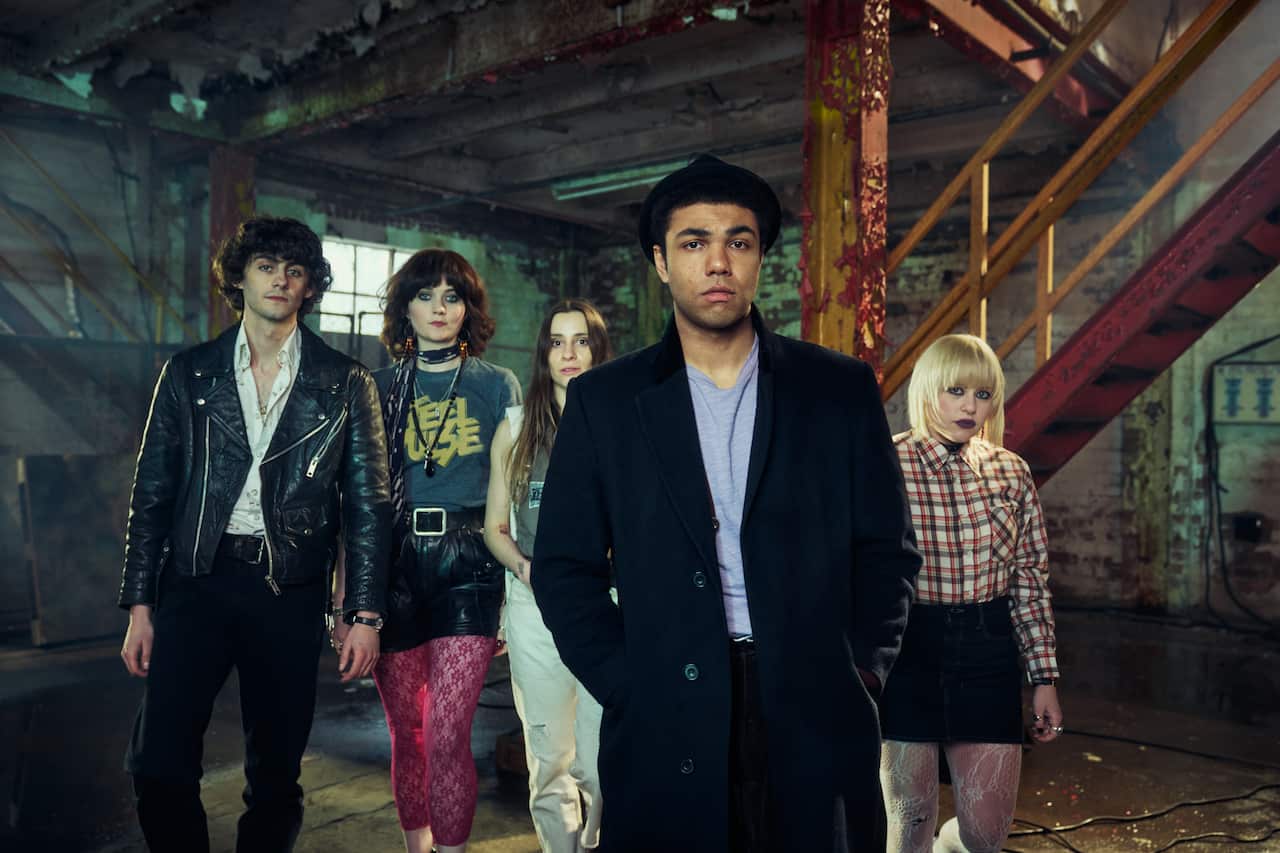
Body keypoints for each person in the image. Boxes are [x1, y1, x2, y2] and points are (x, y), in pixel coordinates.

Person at [530, 155, 922, 853]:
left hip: (813, 698)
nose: (718, 262)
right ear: (660, 261)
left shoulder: (837, 389)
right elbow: (563, 566)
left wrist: (862, 668)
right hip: (665, 699)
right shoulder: (606, 401)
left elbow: (886, 551)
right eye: (694, 242)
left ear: (760, 258)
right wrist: (624, 681)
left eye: (738, 241)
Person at [117, 215, 392, 853]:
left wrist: (364, 613)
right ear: (239, 278)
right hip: (197, 581)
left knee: (275, 774)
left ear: (310, 286)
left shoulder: (346, 382)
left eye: (294, 271)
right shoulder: (189, 373)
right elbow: (152, 495)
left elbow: (369, 506)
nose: (280, 281)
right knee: (158, 761)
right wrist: (140, 606)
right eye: (266, 267)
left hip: (288, 589)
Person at [333, 248, 520, 853]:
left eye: (452, 296)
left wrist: (513, 592)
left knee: (446, 732)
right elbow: (357, 501)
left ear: (468, 309)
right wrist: (347, 597)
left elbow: (514, 494)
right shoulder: (377, 387)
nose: (439, 308)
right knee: (409, 734)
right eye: (425, 295)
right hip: (393, 563)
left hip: (472, 561)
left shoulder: (496, 384)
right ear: (404, 308)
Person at [879, 334, 1063, 853]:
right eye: (955, 391)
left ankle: (948, 847)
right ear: (927, 390)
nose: (969, 407)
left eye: (982, 395)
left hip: (987, 651)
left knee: (985, 834)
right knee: (908, 821)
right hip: (907, 652)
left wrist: (1044, 679)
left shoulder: (1011, 471)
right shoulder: (885, 463)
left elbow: (1029, 580)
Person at [483, 299, 613, 853]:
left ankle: (598, 842)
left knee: (601, 761)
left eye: (581, 340)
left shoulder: (622, 424)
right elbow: (495, 528)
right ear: (544, 354)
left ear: (598, 349)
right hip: (535, 610)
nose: (569, 353)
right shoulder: (515, 428)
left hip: (606, 608)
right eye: (557, 342)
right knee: (550, 759)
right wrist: (525, 569)